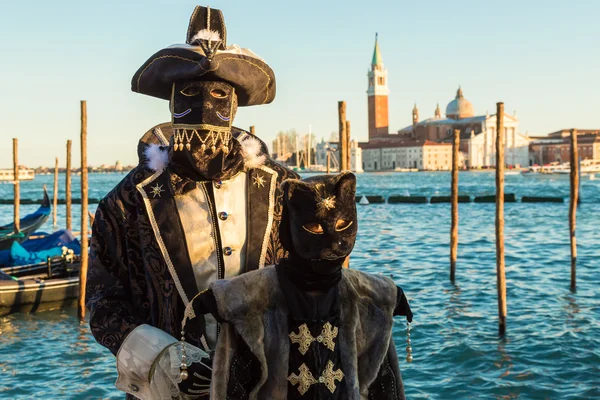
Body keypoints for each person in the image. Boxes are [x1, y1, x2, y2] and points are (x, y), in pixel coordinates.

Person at [85, 5, 297, 399]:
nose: (204, 107)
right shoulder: (127, 202)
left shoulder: (282, 189)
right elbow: (102, 303)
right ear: (170, 100)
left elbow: (315, 278)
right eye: (188, 94)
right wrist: (158, 354)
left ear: (235, 103)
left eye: (218, 94)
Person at [186, 172, 413, 399]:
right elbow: (234, 389)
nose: (333, 240)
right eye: (315, 228)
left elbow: (383, 388)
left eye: (344, 224)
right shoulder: (248, 302)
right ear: (290, 227)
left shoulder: (372, 300)